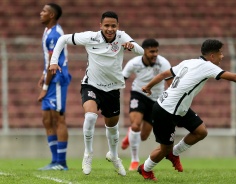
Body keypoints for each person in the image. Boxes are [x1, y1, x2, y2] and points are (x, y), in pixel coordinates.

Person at [139, 39, 236, 181]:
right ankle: (145, 169)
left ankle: (175, 153)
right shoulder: (207, 66)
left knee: (200, 131)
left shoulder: (189, 62)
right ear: (212, 56)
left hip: (179, 108)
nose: (222, 56)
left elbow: (164, 74)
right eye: (220, 53)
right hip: (166, 111)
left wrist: (148, 86)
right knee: (164, 149)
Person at [49, 11, 144, 176]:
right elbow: (63, 39)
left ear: (118, 26)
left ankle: (114, 156)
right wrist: (53, 62)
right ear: (100, 25)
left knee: (112, 127)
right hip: (91, 85)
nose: (110, 29)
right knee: (91, 116)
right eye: (106, 25)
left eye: (113, 26)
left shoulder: (122, 37)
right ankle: (88, 154)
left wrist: (132, 46)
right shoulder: (90, 37)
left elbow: (141, 51)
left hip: (113, 89)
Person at [121, 38, 173, 171]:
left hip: (156, 99)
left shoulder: (163, 63)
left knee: (143, 136)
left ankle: (129, 135)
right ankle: (134, 160)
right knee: (135, 125)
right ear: (144, 52)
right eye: (151, 51)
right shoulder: (134, 63)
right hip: (138, 95)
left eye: (156, 51)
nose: (155, 54)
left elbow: (171, 84)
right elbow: (122, 79)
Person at [37, 3, 71, 171]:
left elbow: (53, 61)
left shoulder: (55, 34)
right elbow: (49, 59)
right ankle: (54, 160)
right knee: (46, 118)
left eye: (44, 11)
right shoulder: (48, 31)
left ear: (51, 15)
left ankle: (61, 162)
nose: (40, 13)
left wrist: (45, 87)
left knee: (59, 119)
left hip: (57, 79)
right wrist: (44, 74)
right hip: (50, 77)